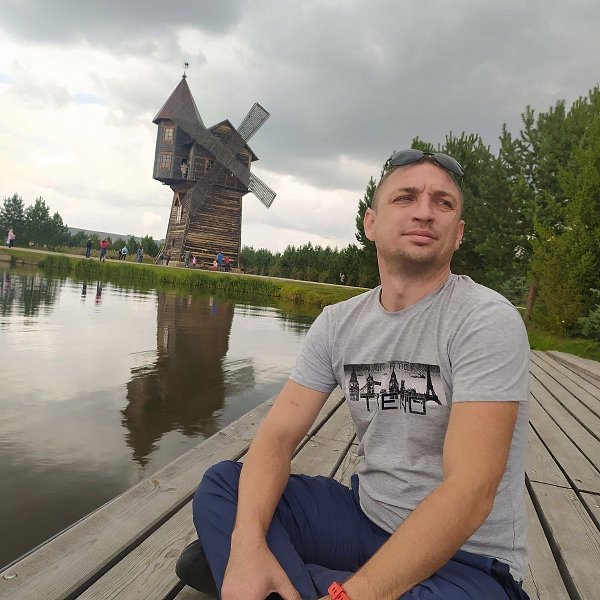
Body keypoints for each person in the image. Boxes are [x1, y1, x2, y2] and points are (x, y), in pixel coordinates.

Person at [178, 149, 530, 600]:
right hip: (365, 519)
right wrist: (247, 547)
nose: (425, 212)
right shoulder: (338, 323)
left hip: (466, 559)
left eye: (443, 203)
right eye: (405, 198)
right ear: (371, 224)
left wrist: (350, 596)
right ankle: (270, 570)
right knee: (224, 485)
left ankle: (289, 577)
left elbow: (471, 489)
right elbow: (276, 438)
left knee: (212, 556)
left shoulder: (484, 320)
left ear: (457, 234)